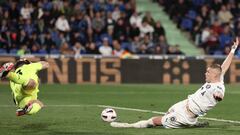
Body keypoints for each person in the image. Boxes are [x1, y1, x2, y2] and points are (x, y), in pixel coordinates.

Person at [111, 37, 239, 129]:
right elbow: (224, 66)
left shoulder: (219, 88)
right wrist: (233, 50)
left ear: (215, 75)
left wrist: (218, 96)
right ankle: (192, 123)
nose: (205, 74)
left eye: (208, 72)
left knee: (155, 121)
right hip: (185, 104)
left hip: (186, 115)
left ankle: (129, 126)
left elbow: (219, 94)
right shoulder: (219, 77)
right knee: (167, 114)